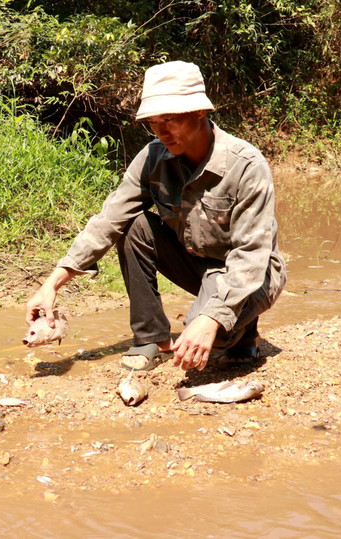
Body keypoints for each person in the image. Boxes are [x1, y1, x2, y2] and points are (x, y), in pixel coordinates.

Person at [25, 61, 286, 372]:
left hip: (253, 274)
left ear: (199, 112)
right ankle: (152, 337)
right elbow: (109, 220)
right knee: (133, 225)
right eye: (153, 122)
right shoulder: (152, 157)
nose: (162, 131)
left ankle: (240, 331)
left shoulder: (246, 165)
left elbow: (250, 258)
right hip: (196, 263)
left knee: (208, 334)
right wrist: (53, 283)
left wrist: (209, 319)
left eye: (170, 119)